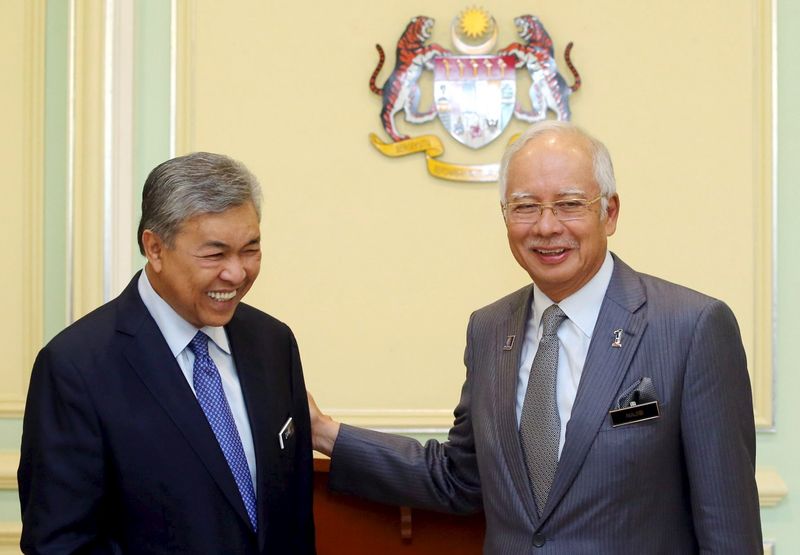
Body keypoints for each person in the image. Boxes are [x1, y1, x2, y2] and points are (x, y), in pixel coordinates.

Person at [309, 121, 763, 553]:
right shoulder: (489, 329)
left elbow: (728, 529)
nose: (546, 226)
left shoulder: (691, 327)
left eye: (569, 204)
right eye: (526, 206)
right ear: (505, 216)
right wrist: (327, 433)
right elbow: (460, 477)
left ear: (610, 212)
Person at [18, 152, 316, 554]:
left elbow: (295, 517)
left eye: (250, 249)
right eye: (214, 254)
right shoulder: (76, 367)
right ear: (154, 249)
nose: (237, 273)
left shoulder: (273, 342)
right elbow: (60, 545)